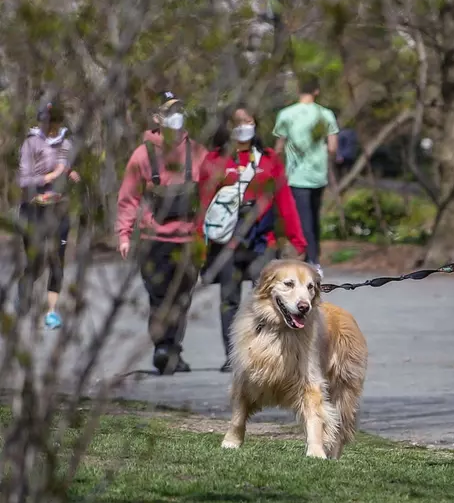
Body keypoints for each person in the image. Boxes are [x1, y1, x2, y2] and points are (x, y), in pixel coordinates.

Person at [200, 107, 308, 373]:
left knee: (265, 298)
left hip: (263, 242)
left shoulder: (269, 160)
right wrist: (197, 245)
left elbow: (285, 202)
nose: (244, 126)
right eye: (238, 122)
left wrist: (298, 241)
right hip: (226, 243)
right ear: (227, 127)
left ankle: (263, 352)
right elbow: (203, 205)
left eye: (248, 121)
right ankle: (233, 356)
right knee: (229, 300)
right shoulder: (214, 161)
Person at [116, 92, 207, 375]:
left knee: (182, 298)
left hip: (189, 240)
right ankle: (162, 347)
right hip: (153, 241)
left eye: (178, 111)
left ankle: (173, 349)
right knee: (159, 297)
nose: (174, 117)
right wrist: (123, 234)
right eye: (168, 112)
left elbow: (210, 194)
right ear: (157, 118)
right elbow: (128, 198)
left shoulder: (198, 152)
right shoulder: (142, 154)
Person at [16, 101, 79, 329]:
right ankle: (24, 292)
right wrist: (49, 177)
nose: (50, 126)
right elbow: (24, 180)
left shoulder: (65, 143)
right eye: (45, 121)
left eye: (53, 121)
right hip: (33, 210)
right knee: (36, 260)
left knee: (57, 260)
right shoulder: (30, 143)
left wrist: (70, 173)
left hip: (58, 208)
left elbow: (64, 165)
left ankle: (52, 312)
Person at [273, 76, 338, 270]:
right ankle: (313, 257)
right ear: (316, 91)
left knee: (303, 218)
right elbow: (333, 146)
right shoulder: (325, 114)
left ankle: (311, 260)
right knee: (314, 216)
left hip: (296, 175)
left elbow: (278, 146)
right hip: (318, 174)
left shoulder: (285, 115)